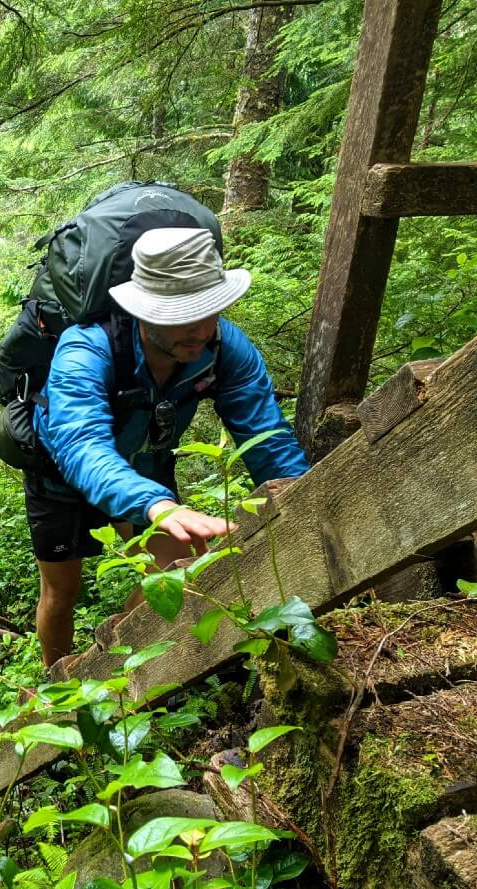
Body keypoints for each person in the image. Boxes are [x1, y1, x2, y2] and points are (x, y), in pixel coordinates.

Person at [27, 226, 309, 666]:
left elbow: (265, 438)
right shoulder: (87, 349)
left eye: (209, 309)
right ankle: (56, 688)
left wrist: (303, 501)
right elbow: (81, 443)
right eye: (180, 313)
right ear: (144, 310)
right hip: (62, 474)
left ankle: (118, 663)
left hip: (145, 466)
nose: (199, 328)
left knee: (173, 568)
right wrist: (157, 505)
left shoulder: (224, 348)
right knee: (62, 591)